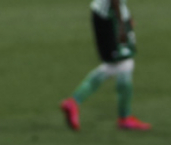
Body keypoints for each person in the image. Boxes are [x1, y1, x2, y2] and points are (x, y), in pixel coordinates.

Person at [60, 0, 151, 131]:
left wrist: (127, 16)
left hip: (105, 14)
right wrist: (121, 26)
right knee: (123, 63)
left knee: (116, 64)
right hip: (110, 17)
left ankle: (74, 102)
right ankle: (124, 117)